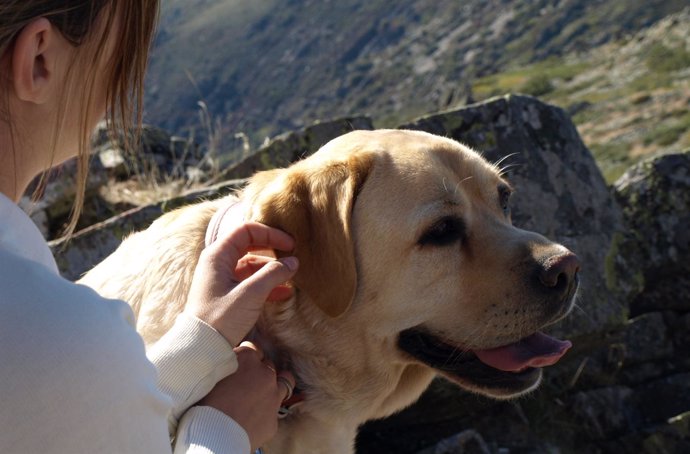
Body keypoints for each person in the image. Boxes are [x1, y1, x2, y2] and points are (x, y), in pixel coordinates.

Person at [0, 1, 297, 453]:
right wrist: (223, 430)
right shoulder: (56, 337)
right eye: (122, 52)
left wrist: (201, 341)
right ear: (40, 59)